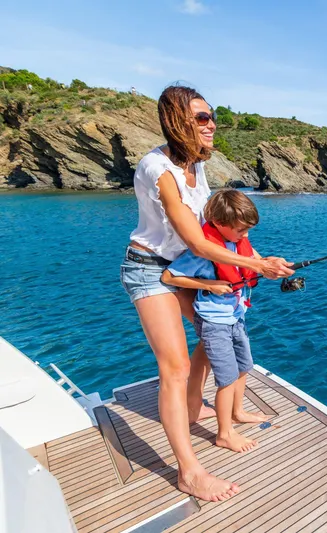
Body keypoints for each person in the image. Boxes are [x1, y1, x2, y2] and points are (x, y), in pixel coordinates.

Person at [120, 85, 294, 502]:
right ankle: (189, 472)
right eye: (201, 118)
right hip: (150, 270)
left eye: (210, 115)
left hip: (186, 270)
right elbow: (196, 242)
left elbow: (213, 231)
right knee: (174, 367)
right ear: (177, 121)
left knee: (213, 331)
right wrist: (257, 267)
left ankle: (202, 406)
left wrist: (253, 257)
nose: (211, 123)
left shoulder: (198, 168)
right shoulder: (157, 168)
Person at [161, 189, 268, 453]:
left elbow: (257, 262)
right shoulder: (203, 252)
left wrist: (273, 265)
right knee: (227, 378)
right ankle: (224, 434)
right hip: (214, 323)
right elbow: (169, 277)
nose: (245, 236)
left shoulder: (237, 244)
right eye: (241, 230)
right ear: (220, 225)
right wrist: (208, 284)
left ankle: (238, 411)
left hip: (236, 317)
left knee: (244, 367)